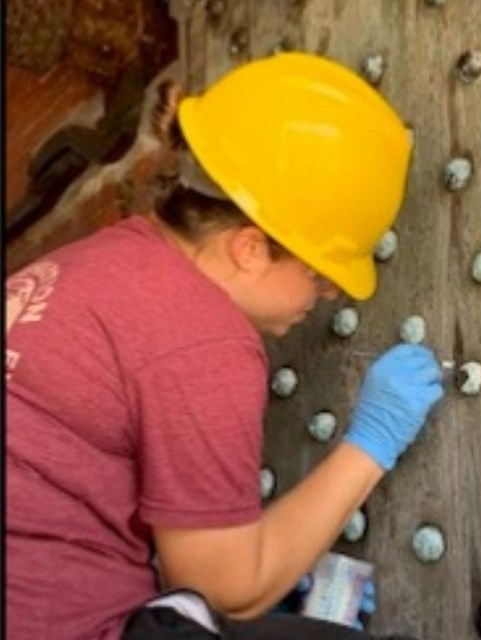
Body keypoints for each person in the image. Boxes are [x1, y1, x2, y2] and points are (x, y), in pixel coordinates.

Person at [6, 53, 444, 640]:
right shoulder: (201, 334)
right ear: (250, 248)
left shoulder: (105, 259)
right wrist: (372, 444)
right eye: (319, 274)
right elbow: (228, 587)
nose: (331, 293)